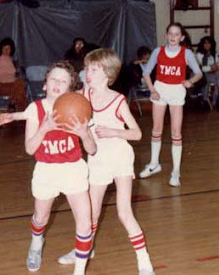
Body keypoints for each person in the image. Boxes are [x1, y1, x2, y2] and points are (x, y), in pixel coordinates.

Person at [58, 48, 155, 275]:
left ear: (106, 73)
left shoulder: (118, 101)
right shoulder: (83, 96)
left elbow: (137, 134)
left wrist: (114, 131)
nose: (87, 72)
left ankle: (144, 261)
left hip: (120, 157)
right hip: (97, 158)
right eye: (86, 68)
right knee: (90, 213)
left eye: (93, 69)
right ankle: (85, 249)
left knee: (124, 213)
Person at [0, 61, 97, 274]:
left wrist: (84, 133)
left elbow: (92, 149)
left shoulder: (78, 108)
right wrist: (44, 129)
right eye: (53, 79)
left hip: (73, 169)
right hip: (46, 170)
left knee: (85, 223)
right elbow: (30, 149)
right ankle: (36, 243)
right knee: (41, 218)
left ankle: (79, 271)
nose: (57, 83)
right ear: (44, 85)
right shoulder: (36, 109)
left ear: (70, 88)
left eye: (63, 81)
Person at [139, 22, 202, 187]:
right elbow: (146, 72)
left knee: (176, 132)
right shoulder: (157, 51)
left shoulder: (186, 53)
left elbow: (199, 73)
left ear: (181, 37)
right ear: (166, 35)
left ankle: (176, 171)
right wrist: (152, 89)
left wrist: (190, 81)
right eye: (170, 34)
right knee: (156, 129)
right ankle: (154, 164)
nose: (173, 37)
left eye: (177, 34)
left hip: (177, 91)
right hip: (160, 89)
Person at [196, 36, 219, 107]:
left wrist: (214, 67)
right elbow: (203, 68)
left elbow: (217, 64)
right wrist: (211, 68)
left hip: (214, 74)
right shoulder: (199, 54)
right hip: (204, 76)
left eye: (208, 43)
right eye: (205, 43)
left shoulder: (214, 53)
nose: (207, 45)